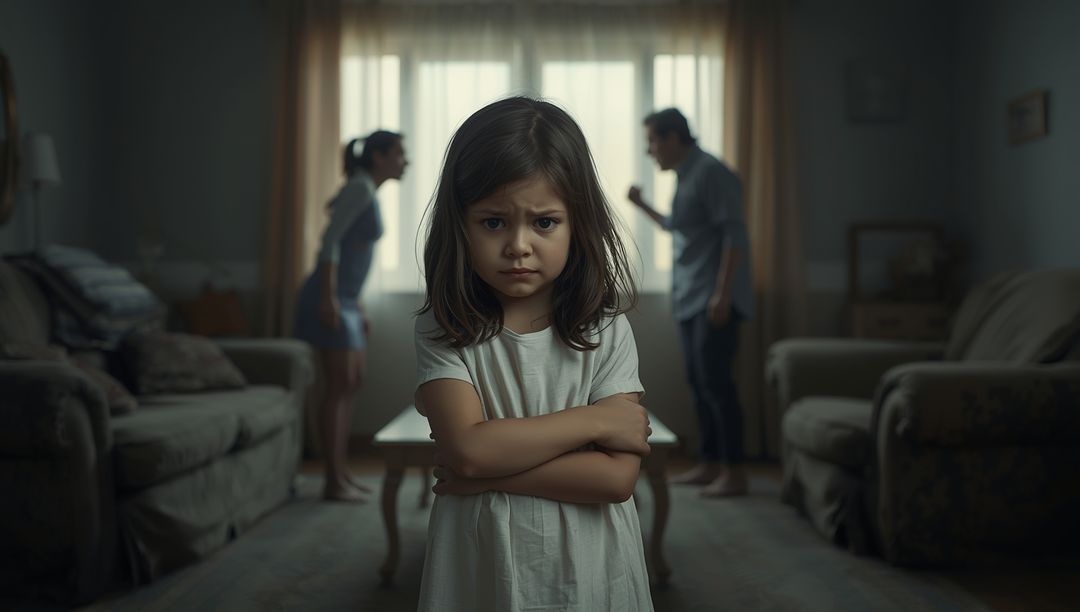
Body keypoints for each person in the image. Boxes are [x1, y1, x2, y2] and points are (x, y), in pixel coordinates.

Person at [413, 97, 655, 611]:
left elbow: (615, 479)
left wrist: (486, 473)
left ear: (577, 223)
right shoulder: (444, 327)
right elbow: (469, 452)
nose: (518, 245)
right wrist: (595, 422)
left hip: (591, 567)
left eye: (544, 223)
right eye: (493, 222)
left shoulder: (606, 328)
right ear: (460, 224)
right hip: (483, 561)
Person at [627, 108, 754, 498]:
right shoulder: (687, 176)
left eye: (652, 141)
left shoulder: (712, 172)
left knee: (717, 386)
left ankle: (734, 472)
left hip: (712, 298)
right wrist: (641, 204)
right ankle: (710, 464)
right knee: (699, 385)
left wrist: (722, 294)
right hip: (690, 296)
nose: (650, 152)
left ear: (672, 138)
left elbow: (735, 236)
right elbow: (676, 226)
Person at [294, 130, 407, 502]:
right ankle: (331, 481)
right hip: (329, 299)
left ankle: (340, 474)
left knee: (352, 383)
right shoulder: (359, 187)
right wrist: (330, 299)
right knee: (339, 387)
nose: (405, 161)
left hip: (345, 300)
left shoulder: (365, 189)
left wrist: (355, 305)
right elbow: (329, 244)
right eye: (399, 153)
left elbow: (353, 254)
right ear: (379, 157)